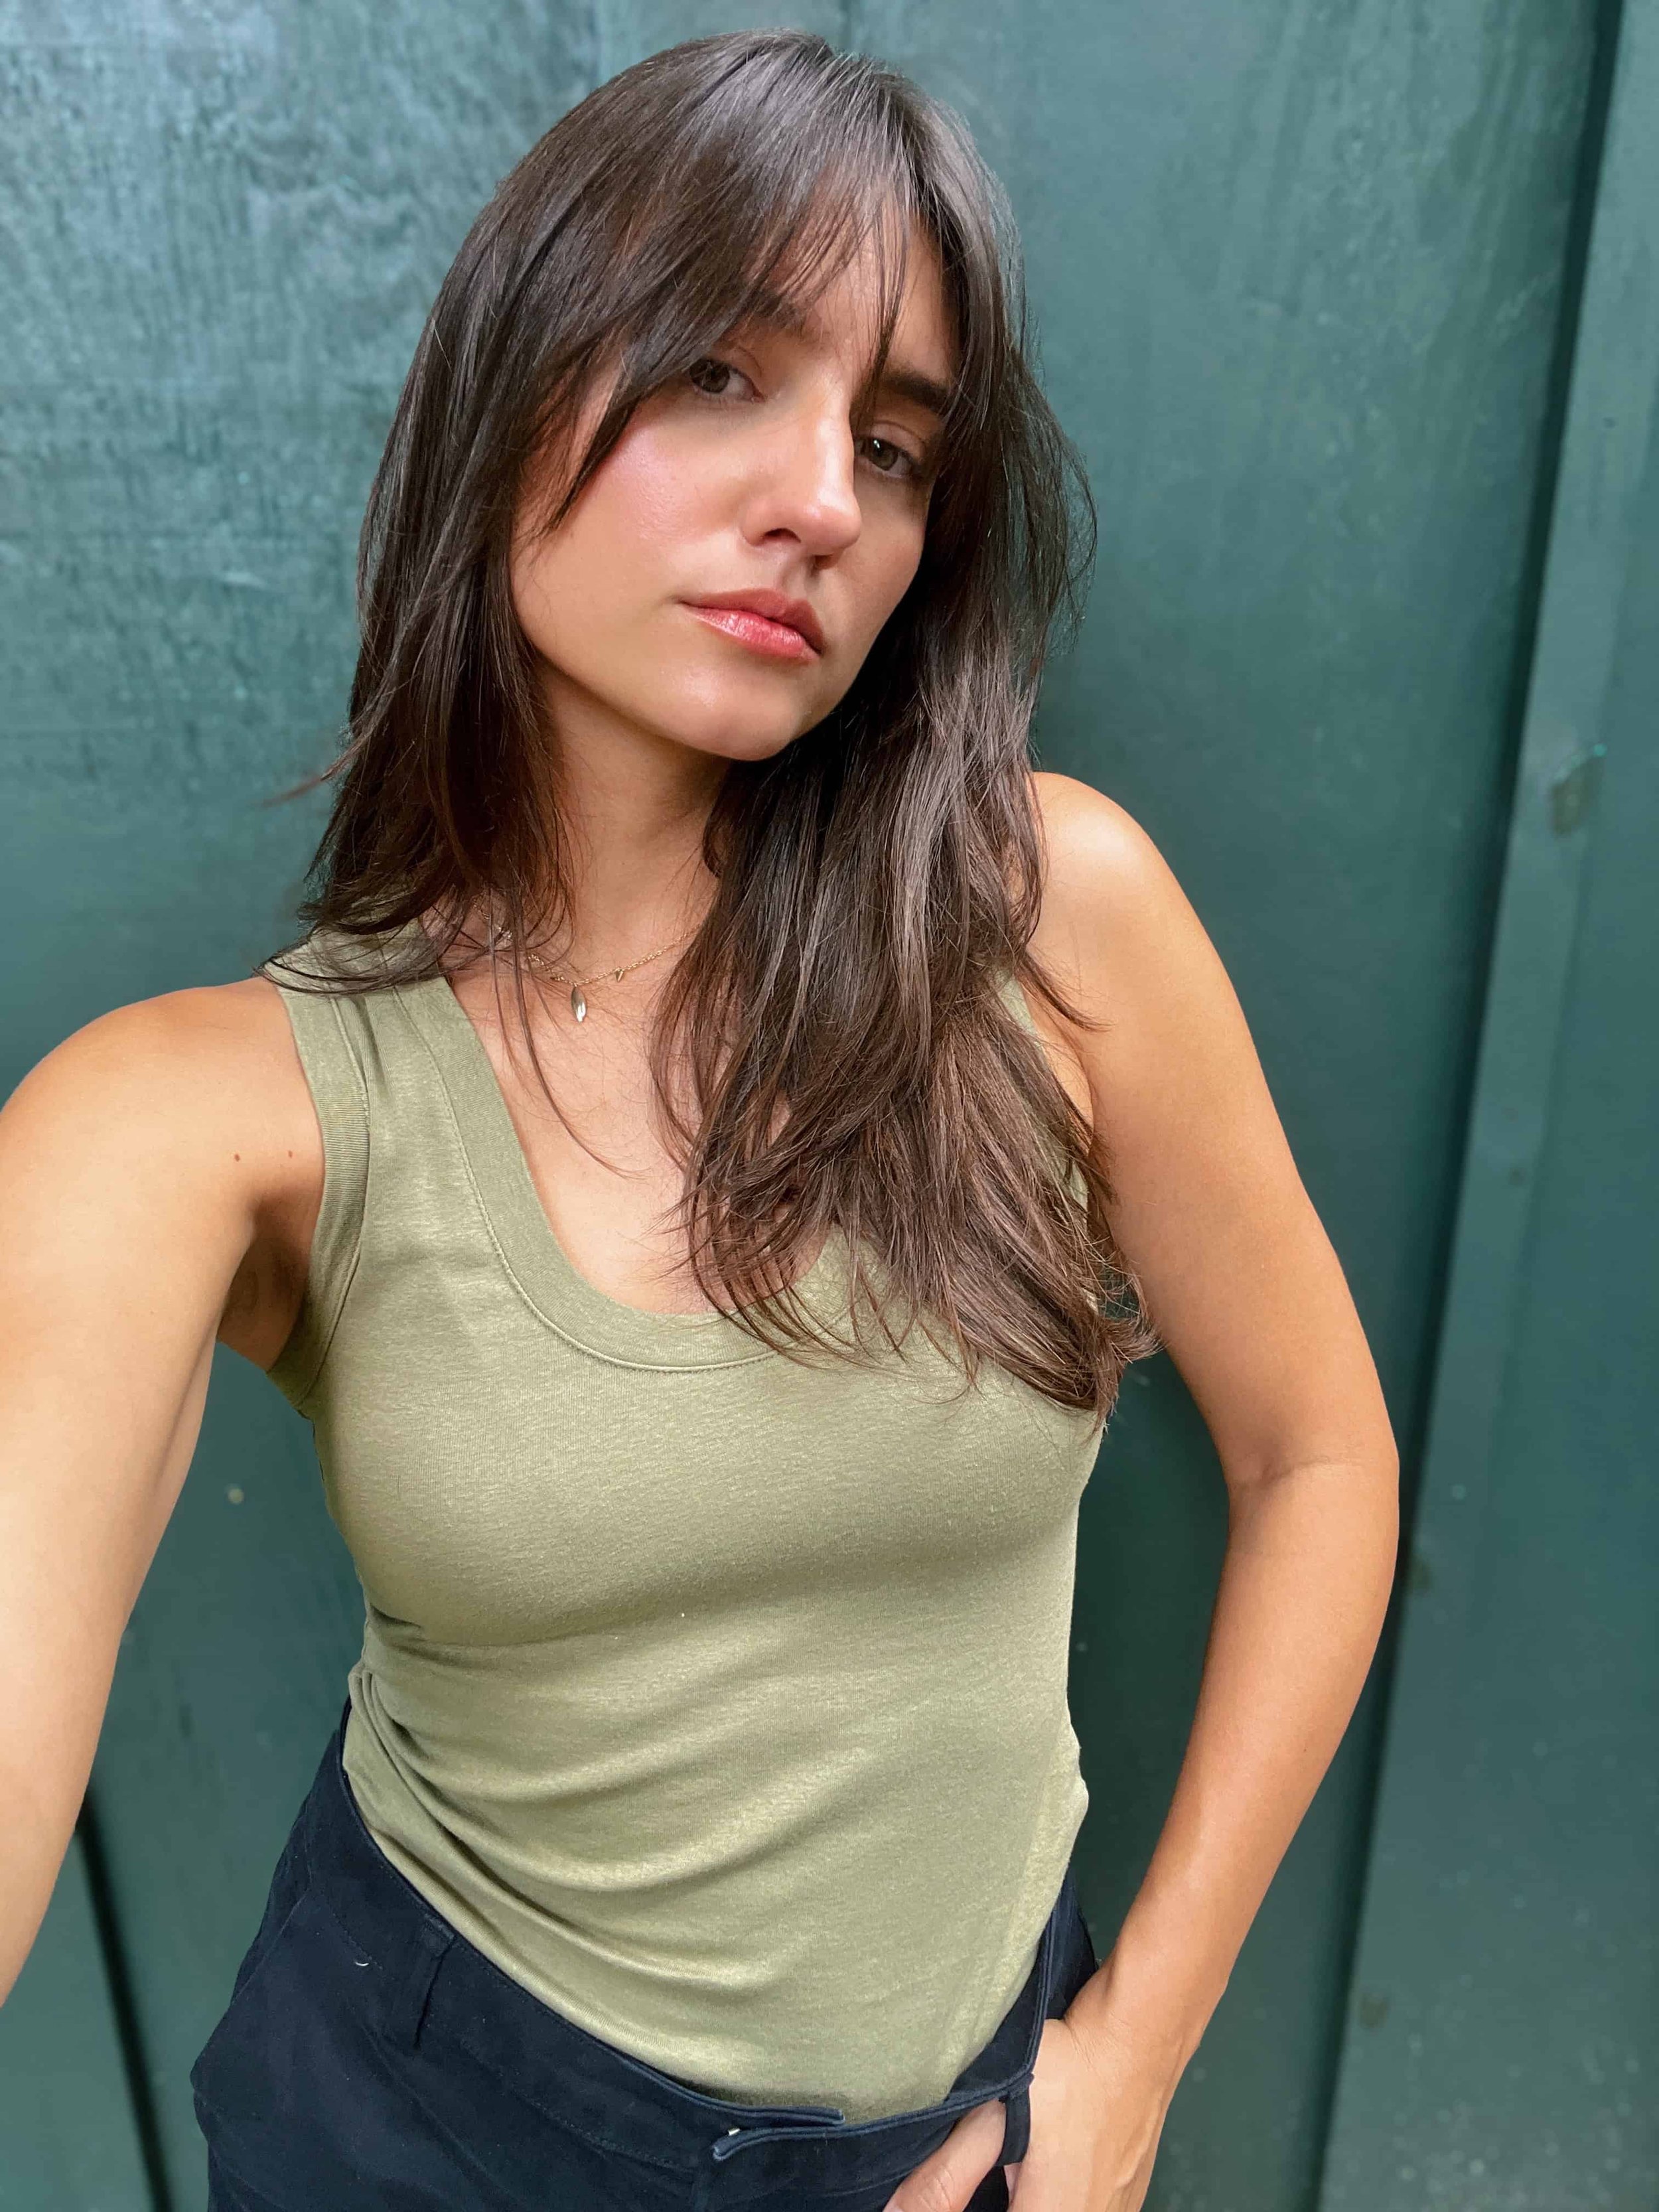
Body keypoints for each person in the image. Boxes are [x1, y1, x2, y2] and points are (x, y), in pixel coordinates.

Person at [0, 30, 1399, 2212]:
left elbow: (1319, 1461)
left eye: (898, 444)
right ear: (508, 397)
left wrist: (1120, 2065)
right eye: (720, 375)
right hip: (437, 2123)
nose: (824, 499)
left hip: (961, 2138)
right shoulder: (201, 1118)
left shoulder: (1054, 928)